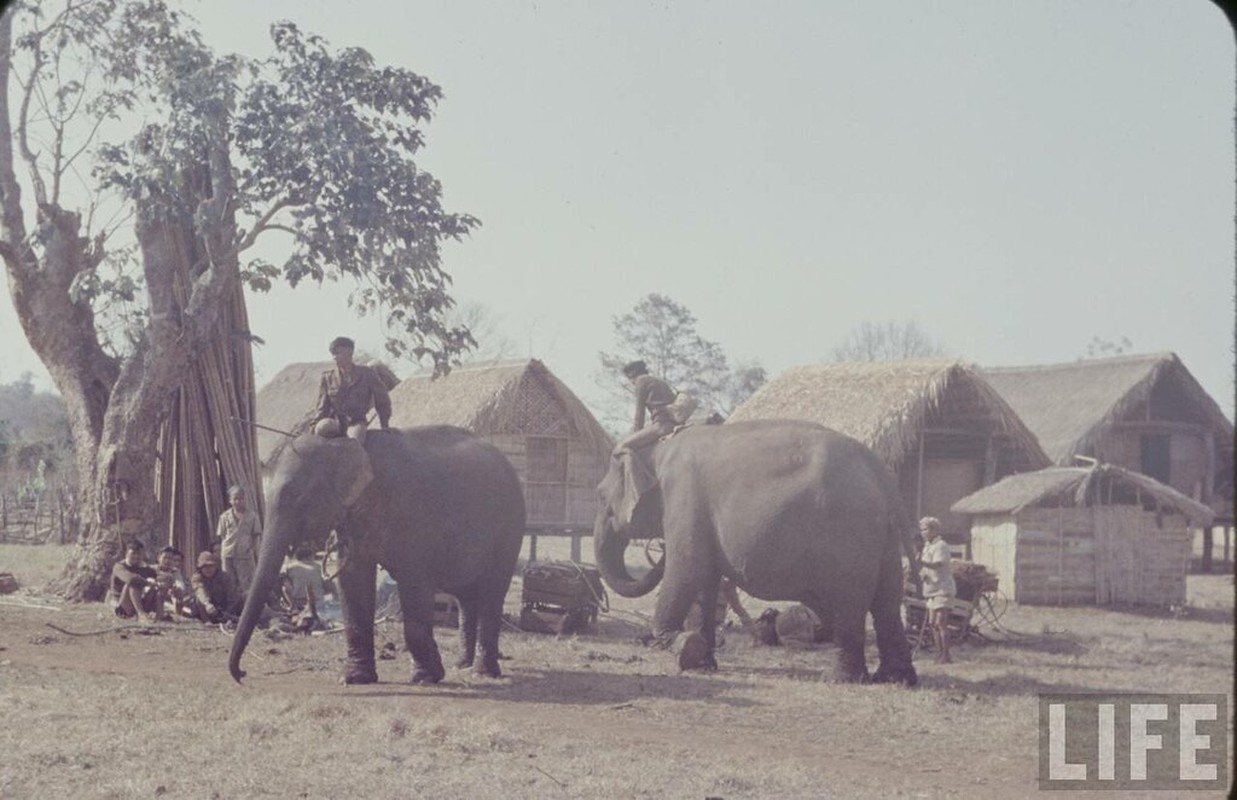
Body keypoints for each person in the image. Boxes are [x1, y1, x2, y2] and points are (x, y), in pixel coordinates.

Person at [312, 336, 392, 443]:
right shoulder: (328, 377)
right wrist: (313, 427)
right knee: (322, 427)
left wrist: (384, 425)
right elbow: (322, 407)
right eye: (333, 354)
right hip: (335, 422)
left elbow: (382, 400)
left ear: (349, 352)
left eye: (338, 353)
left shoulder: (367, 374)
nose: (335, 357)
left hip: (356, 422)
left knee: (354, 442)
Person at [615, 359, 677, 452]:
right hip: (675, 423)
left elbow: (639, 415)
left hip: (661, 425)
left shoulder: (641, 381)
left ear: (632, 374)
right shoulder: (658, 381)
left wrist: (635, 434)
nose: (631, 382)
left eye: (629, 378)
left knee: (622, 447)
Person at [918, 516, 957, 663]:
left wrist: (921, 562)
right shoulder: (927, 546)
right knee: (932, 624)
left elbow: (939, 564)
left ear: (934, 529)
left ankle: (947, 656)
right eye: (921, 530)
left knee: (941, 623)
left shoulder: (941, 545)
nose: (923, 532)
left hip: (943, 589)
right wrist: (922, 574)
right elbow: (926, 568)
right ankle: (939, 654)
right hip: (931, 589)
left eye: (926, 529)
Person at [216, 484, 261, 597]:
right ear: (230, 500)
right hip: (228, 554)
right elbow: (222, 536)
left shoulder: (252, 516)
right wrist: (225, 550)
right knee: (229, 581)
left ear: (245, 499)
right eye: (235, 498)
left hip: (245, 554)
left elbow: (256, 535)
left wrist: (253, 550)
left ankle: (246, 607)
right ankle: (232, 607)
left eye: (241, 498)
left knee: (246, 582)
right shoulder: (224, 517)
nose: (238, 501)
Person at [279, 545, 327, 632]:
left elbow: (286, 587)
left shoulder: (290, 567)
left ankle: (293, 608)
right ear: (308, 557)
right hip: (319, 602)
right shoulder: (318, 567)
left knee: (285, 585)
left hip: (298, 602)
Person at [110, 539, 159, 620]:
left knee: (156, 585)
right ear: (126, 554)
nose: (136, 556)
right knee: (134, 582)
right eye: (133, 553)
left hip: (140, 600)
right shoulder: (119, 567)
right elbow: (131, 579)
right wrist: (147, 582)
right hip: (122, 605)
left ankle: (157, 613)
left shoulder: (144, 567)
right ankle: (141, 613)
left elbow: (158, 575)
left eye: (139, 554)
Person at [191, 551, 242, 625]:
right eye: (205, 567)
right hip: (206, 609)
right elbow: (200, 591)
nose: (208, 569)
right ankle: (207, 621)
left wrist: (229, 612)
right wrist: (207, 603)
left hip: (222, 608)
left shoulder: (224, 577)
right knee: (198, 599)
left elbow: (232, 596)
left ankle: (230, 618)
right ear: (200, 568)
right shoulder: (197, 577)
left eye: (211, 566)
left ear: (215, 567)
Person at [153, 545, 193, 620]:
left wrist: (177, 589)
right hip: (152, 599)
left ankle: (177, 614)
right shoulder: (152, 569)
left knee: (178, 593)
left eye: (170, 558)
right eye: (165, 558)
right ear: (158, 558)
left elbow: (180, 583)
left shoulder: (175, 571)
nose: (167, 561)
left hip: (168, 600)